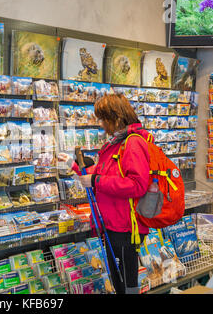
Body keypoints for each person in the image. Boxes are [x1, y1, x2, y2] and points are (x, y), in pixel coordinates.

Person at [58, 93, 152, 294]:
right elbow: (102, 173)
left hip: (125, 227)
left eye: (102, 118)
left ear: (115, 117)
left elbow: (137, 184)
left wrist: (95, 181)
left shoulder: (133, 144)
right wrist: (74, 165)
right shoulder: (116, 143)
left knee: (127, 283)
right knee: (118, 282)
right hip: (112, 224)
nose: (100, 124)